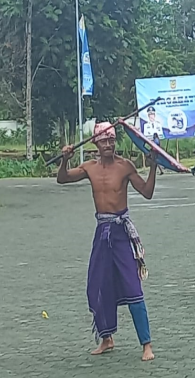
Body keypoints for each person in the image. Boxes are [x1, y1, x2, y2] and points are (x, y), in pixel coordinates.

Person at [57, 121, 158, 361]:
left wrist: (153, 166)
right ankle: (107, 338)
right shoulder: (89, 168)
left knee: (133, 287)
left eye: (112, 140)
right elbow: (63, 179)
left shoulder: (125, 166)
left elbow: (147, 192)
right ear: (95, 143)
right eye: (104, 141)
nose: (109, 144)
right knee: (98, 286)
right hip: (102, 233)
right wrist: (65, 159)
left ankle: (147, 345)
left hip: (121, 233)